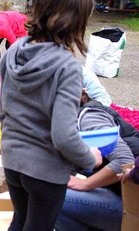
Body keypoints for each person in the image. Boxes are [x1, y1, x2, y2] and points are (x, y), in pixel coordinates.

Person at [0, 0, 102, 230]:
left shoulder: (13, 51)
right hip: (45, 172)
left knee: (20, 221)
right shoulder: (67, 66)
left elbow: (3, 112)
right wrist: (90, 158)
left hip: (12, 161)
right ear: (76, 20)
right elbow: (64, 136)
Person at [55, 90, 135, 231]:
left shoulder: (89, 117)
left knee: (44, 195)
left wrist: (85, 184)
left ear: (82, 96)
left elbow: (125, 161)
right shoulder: (66, 124)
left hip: (132, 207)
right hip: (120, 196)